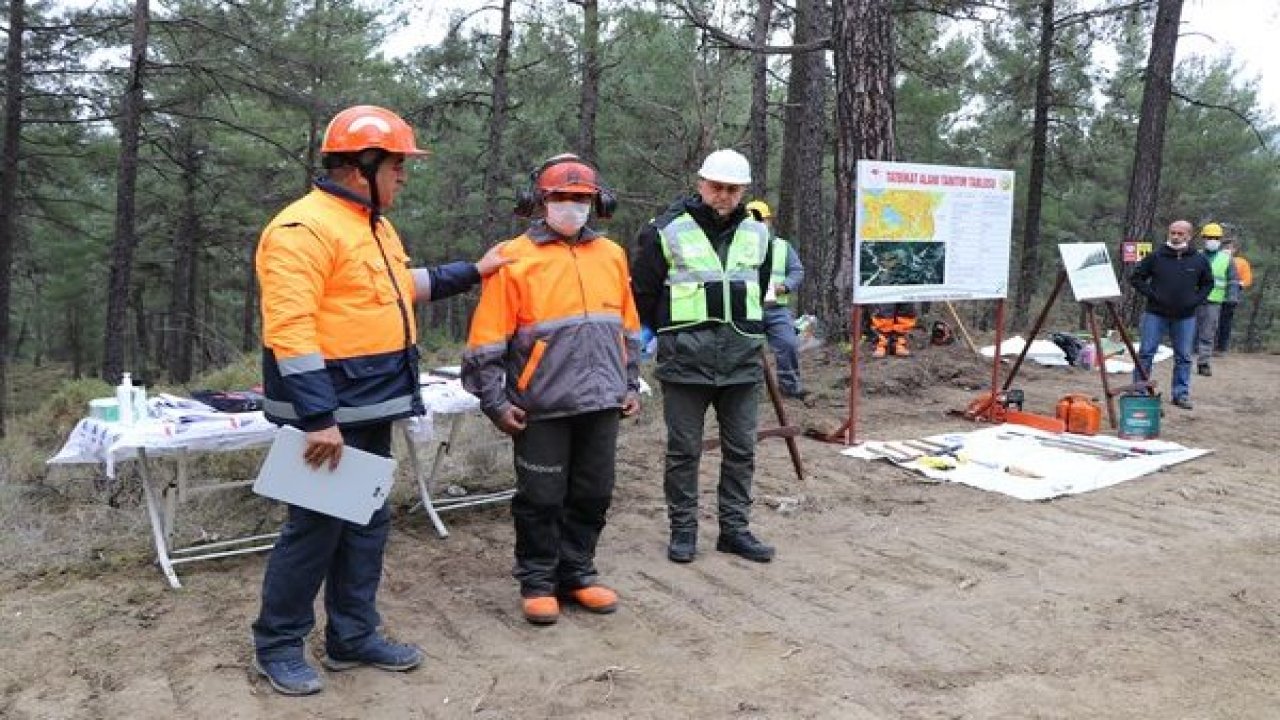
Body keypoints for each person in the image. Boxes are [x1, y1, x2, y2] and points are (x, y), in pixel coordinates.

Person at [252, 105, 509, 695]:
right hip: (330, 415)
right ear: (361, 164)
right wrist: (318, 418)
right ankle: (278, 643)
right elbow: (289, 329)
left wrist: (475, 270)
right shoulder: (302, 229)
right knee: (315, 529)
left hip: (369, 406)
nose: (404, 176)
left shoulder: (371, 225)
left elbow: (399, 289)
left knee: (365, 523)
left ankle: (351, 636)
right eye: (397, 165)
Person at [462, 154, 642, 626]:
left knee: (594, 492)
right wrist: (495, 401)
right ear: (541, 201)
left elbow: (627, 326)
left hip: (602, 398)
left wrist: (629, 382)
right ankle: (538, 580)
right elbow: (486, 339)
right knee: (541, 496)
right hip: (541, 402)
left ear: (597, 202)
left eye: (581, 198)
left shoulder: (612, 255)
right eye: (562, 197)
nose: (572, 206)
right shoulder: (512, 257)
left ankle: (578, 573)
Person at [632, 149, 776, 565]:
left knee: (742, 450)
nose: (724, 195)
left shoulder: (758, 233)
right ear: (701, 184)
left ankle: (734, 530)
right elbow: (644, 290)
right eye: (717, 187)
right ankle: (683, 531)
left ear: (744, 191)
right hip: (685, 362)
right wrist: (659, 336)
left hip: (741, 359)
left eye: (733, 189)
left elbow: (757, 286)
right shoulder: (666, 230)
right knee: (683, 451)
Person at [1129, 220, 1213, 410]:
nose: (1175, 236)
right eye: (1172, 232)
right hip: (1156, 314)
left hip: (1185, 316)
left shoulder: (1199, 260)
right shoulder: (1156, 256)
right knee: (1146, 353)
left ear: (1189, 236)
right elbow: (1136, 278)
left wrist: (1195, 300)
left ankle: (1180, 395)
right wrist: (1152, 295)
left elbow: (1208, 283)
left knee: (1183, 356)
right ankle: (1139, 390)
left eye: (1180, 234)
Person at [746, 199, 808, 399]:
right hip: (746, 309)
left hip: (776, 309)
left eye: (762, 220)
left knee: (788, 344)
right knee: (743, 351)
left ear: (769, 222)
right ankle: (745, 391)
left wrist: (786, 286)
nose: (759, 225)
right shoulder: (736, 248)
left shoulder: (782, 246)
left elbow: (796, 271)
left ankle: (790, 388)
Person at [1192, 221, 1239, 376]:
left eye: (1216, 237)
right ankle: (1184, 361)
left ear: (1220, 240)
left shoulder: (1227, 259)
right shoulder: (1195, 256)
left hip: (1214, 301)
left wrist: (1231, 297)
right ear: (1204, 238)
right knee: (1187, 331)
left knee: (1207, 333)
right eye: (1209, 237)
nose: (1212, 240)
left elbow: (1233, 280)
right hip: (1193, 299)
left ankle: (1203, 363)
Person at [1214, 236, 1253, 353]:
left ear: (1235, 249)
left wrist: (1236, 285)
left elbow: (1247, 280)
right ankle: (1206, 346)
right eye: (1225, 247)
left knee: (1225, 322)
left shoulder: (1241, 262)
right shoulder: (1215, 259)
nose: (1227, 249)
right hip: (1213, 296)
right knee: (1210, 322)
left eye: (1230, 247)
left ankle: (1221, 348)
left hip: (1230, 298)